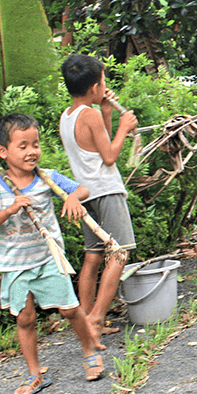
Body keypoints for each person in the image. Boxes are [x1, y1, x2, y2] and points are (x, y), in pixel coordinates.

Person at [0, 114, 105, 394]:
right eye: (22, 146)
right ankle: (35, 375)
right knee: (24, 319)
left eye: (35, 144)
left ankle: (89, 349)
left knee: (70, 310)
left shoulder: (47, 178)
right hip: (15, 266)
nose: (31, 151)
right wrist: (10, 209)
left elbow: (82, 189)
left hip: (49, 259)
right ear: (3, 151)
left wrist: (73, 197)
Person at [60, 54, 138, 351]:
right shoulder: (88, 116)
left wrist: (106, 111)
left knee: (93, 257)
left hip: (87, 194)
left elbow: (95, 144)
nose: (105, 86)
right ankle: (95, 319)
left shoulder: (69, 116)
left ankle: (86, 316)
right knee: (119, 253)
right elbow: (108, 156)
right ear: (94, 86)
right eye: (103, 81)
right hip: (106, 191)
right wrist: (123, 126)